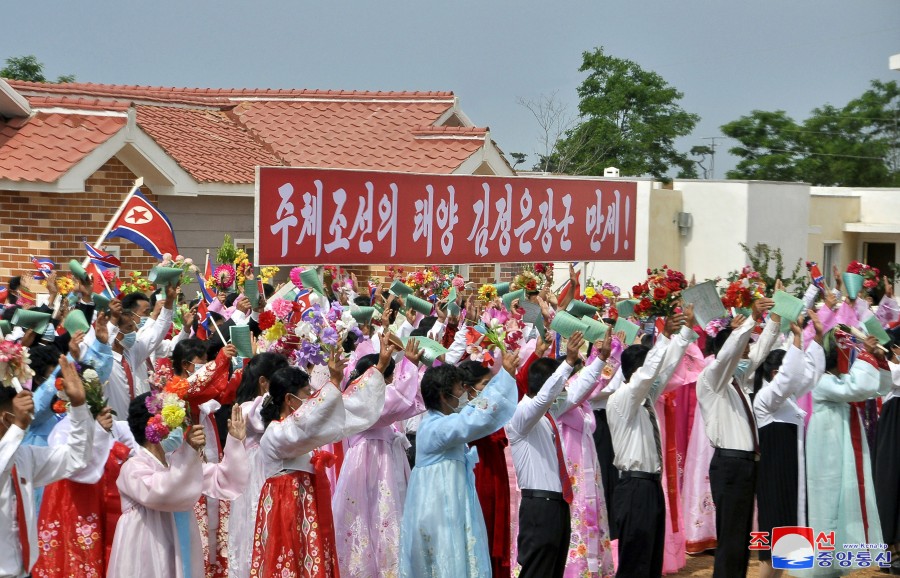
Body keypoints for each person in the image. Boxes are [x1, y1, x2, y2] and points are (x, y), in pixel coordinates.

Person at [251, 345, 388, 578]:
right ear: (289, 399)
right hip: (286, 506)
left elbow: (344, 409)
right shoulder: (276, 433)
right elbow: (311, 420)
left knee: (310, 556)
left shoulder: (299, 428)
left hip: (304, 501)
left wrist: (381, 367)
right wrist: (333, 381)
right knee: (290, 558)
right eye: (307, 393)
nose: (312, 399)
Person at [398, 351, 518, 578]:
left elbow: (473, 410)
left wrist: (500, 381)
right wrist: (504, 378)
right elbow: (474, 418)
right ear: (444, 396)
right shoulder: (435, 427)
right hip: (439, 508)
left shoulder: (441, 421)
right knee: (446, 560)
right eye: (460, 389)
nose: (464, 393)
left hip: (451, 502)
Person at [607, 313, 693, 578]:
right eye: (646, 370)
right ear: (635, 372)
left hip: (650, 486)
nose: (653, 377)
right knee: (635, 562)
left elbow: (664, 371)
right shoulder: (622, 398)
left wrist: (684, 334)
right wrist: (664, 337)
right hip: (633, 488)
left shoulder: (645, 400)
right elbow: (649, 374)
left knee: (651, 560)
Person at [696, 297, 775, 578]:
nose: (747, 355)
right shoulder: (711, 379)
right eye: (742, 350)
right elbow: (728, 357)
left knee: (741, 538)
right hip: (730, 463)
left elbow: (761, 350)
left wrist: (775, 318)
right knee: (730, 538)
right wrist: (749, 322)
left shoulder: (736, 383)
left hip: (745, 464)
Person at [333, 341, 425, 578]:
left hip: (385, 459)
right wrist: (409, 366)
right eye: (389, 376)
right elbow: (394, 402)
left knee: (391, 513)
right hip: (370, 463)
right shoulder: (359, 402)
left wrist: (413, 368)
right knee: (374, 516)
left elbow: (413, 399)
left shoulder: (373, 400)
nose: (392, 381)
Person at [806, 333, 892, 576]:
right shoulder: (821, 381)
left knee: (842, 503)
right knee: (827, 505)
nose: (851, 355)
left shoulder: (841, 379)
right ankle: (822, 568)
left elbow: (878, 388)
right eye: (848, 351)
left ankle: (834, 565)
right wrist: (866, 356)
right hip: (828, 451)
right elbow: (858, 387)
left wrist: (877, 360)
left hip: (841, 446)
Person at [0, 357, 93, 578]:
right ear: (6, 418)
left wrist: (79, 407)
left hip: (24, 572)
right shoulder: (12, 450)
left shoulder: (23, 456)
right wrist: (17, 429)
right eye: (13, 418)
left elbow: (76, 457)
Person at [752, 313, 824, 578]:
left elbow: (810, 375)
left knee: (787, 547)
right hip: (775, 479)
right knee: (773, 547)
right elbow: (789, 379)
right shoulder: (766, 398)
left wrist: (816, 338)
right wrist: (796, 339)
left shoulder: (787, 399)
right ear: (775, 373)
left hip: (790, 479)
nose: (793, 378)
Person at [507, 332, 584, 578]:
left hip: (557, 504)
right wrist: (567, 363)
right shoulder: (522, 414)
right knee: (537, 570)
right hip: (539, 505)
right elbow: (543, 399)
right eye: (559, 383)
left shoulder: (547, 415)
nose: (563, 389)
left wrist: (602, 361)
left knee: (553, 571)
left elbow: (578, 391)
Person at [105, 393, 206, 578]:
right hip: (146, 548)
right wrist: (188, 452)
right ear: (155, 426)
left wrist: (235, 441)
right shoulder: (132, 467)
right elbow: (160, 492)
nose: (176, 428)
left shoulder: (171, 463)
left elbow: (216, 476)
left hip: (168, 543)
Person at [228, 352, 289, 578]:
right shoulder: (245, 408)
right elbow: (260, 418)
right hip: (256, 473)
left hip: (274, 469)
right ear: (264, 382)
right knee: (256, 524)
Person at [107, 287, 176, 418]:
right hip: (114, 424)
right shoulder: (104, 359)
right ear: (116, 332)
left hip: (135, 422)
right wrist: (112, 319)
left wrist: (169, 302)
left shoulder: (132, 352)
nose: (134, 332)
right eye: (129, 328)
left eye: (134, 327)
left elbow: (158, 331)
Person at [875, 337, 900, 575]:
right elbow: (885, 382)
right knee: (890, 485)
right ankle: (888, 551)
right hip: (893, 429)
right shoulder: (888, 368)